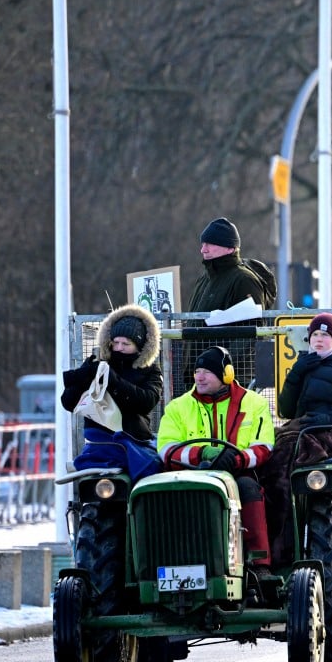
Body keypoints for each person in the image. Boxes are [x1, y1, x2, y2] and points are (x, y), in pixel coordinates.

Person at [259, 312, 332, 564]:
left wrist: (327, 418)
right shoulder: (305, 365)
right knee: (269, 466)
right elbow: (287, 410)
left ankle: (289, 547)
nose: (319, 340)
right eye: (314, 335)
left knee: (293, 467)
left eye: (324, 335)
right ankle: (268, 547)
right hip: (301, 429)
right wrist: (297, 372)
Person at [157, 346, 276, 574]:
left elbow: (264, 446)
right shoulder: (177, 407)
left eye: (207, 372)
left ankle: (259, 563)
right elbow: (166, 449)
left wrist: (236, 460)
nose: (199, 377)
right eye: (197, 371)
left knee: (248, 488)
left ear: (227, 375)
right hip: (190, 474)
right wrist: (201, 454)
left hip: (238, 474)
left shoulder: (254, 404)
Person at [60, 304, 164, 480]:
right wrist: (85, 377)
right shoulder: (97, 361)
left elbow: (147, 401)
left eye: (126, 344)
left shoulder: (150, 370)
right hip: (100, 440)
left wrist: (113, 381)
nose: (119, 348)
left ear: (140, 346)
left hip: (134, 438)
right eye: (115, 342)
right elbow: (68, 402)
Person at [187, 216, 276, 314]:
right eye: (203, 244)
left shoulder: (245, 280)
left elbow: (253, 325)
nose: (203, 250)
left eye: (210, 244)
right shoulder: (204, 279)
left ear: (230, 248)